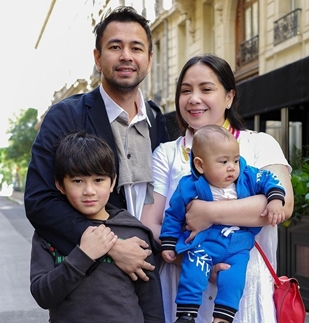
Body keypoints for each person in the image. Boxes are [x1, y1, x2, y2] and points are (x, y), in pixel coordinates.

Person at [140, 54, 294, 323]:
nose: (194, 98)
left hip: (245, 285)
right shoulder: (166, 153)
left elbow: (281, 205)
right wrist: (191, 260)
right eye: (186, 90)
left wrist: (207, 212)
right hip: (185, 280)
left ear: (229, 97)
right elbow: (151, 221)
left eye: (206, 89)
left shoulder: (259, 144)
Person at [25, 6, 169, 283]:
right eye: (115, 46)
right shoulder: (66, 116)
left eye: (136, 48)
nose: (126, 56)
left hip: (154, 275)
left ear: (149, 60)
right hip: (92, 281)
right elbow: (39, 201)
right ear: (98, 57)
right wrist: (112, 247)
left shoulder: (157, 119)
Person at [30, 132, 164, 323]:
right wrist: (82, 256)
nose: (89, 191)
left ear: (113, 182)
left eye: (98, 180)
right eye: (77, 181)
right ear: (60, 185)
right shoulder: (49, 234)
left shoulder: (135, 233)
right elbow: (42, 295)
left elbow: (152, 305)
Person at [160, 125, 286, 323]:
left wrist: (275, 200)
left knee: (233, 281)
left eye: (236, 160)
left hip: (238, 247)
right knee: (192, 274)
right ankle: (186, 315)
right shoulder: (188, 185)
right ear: (200, 165)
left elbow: (270, 180)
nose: (232, 167)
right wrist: (168, 242)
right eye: (224, 162)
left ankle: (222, 318)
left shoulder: (246, 176)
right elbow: (173, 215)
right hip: (202, 244)